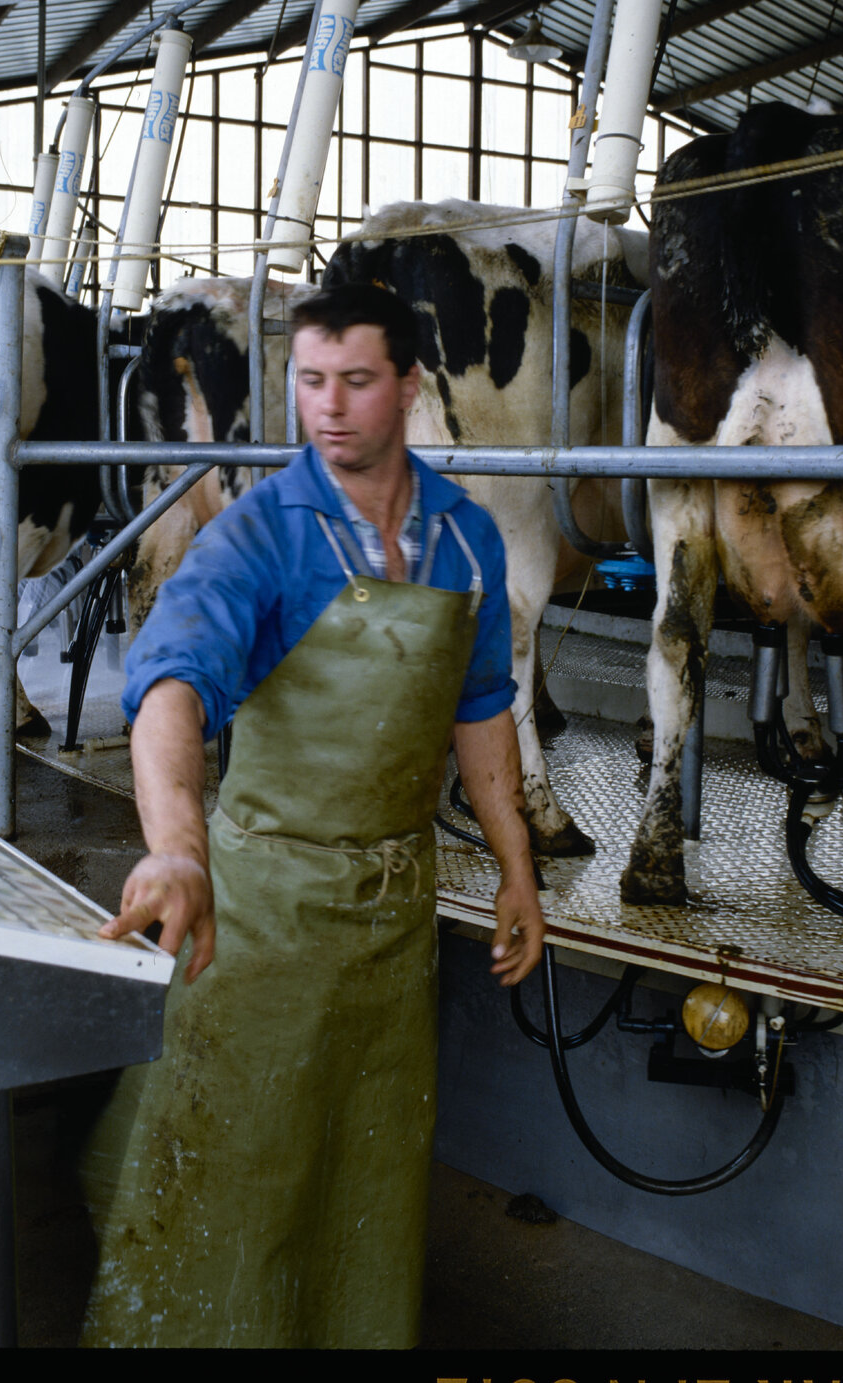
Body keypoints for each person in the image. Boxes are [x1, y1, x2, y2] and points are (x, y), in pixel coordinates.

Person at [79, 281, 546, 1348]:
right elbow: (171, 687)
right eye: (308, 382)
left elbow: (480, 713)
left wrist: (517, 869)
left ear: (408, 386)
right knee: (234, 1187)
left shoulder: (465, 539)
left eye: (355, 381)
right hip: (261, 918)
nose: (327, 407)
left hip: (392, 926)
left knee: (366, 1186)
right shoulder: (259, 536)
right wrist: (176, 852)